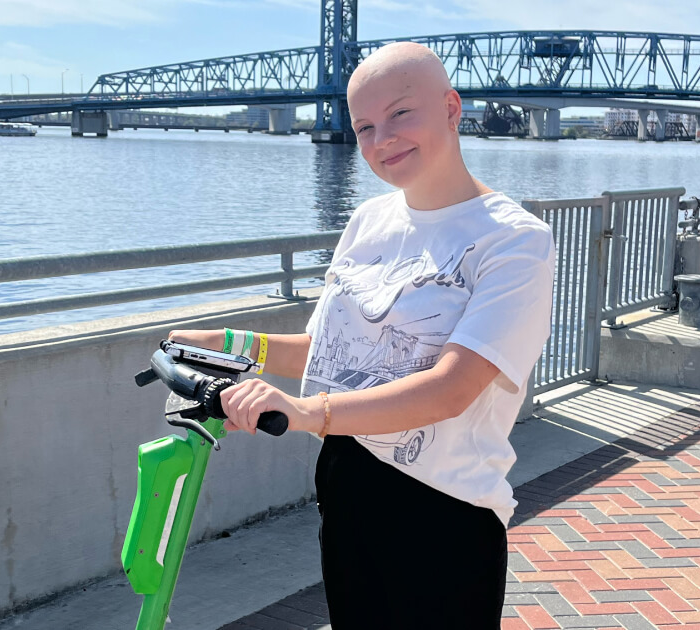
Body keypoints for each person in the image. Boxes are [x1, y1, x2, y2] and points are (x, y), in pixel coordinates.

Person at [168, 42, 555, 629]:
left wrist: (300, 411)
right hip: (347, 482)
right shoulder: (368, 221)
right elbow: (332, 357)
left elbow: (452, 389)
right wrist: (241, 345)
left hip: (443, 508)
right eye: (364, 126)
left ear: (451, 108)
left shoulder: (514, 240)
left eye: (401, 114)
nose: (381, 140)